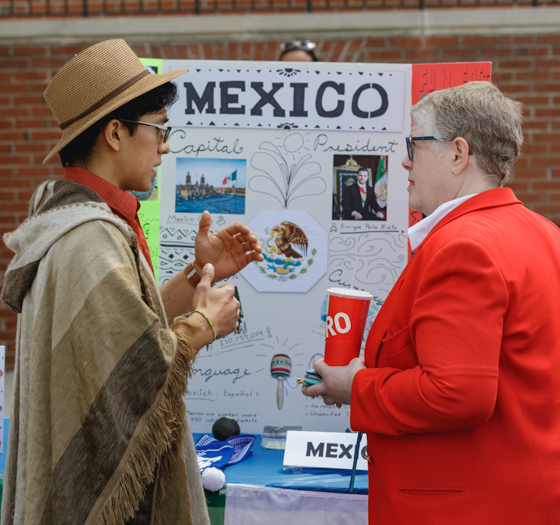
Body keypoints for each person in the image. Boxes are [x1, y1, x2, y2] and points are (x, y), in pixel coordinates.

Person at [0, 39, 263, 525]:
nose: (165, 146)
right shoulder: (89, 237)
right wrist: (204, 323)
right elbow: (133, 373)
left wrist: (197, 275)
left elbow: (121, 334)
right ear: (116, 133)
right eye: (159, 129)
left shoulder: (84, 220)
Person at [303, 82, 560, 524]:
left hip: (466, 506)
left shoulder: (465, 246)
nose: (404, 160)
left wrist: (355, 386)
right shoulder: (546, 235)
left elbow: (456, 393)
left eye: (414, 143)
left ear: (459, 154)